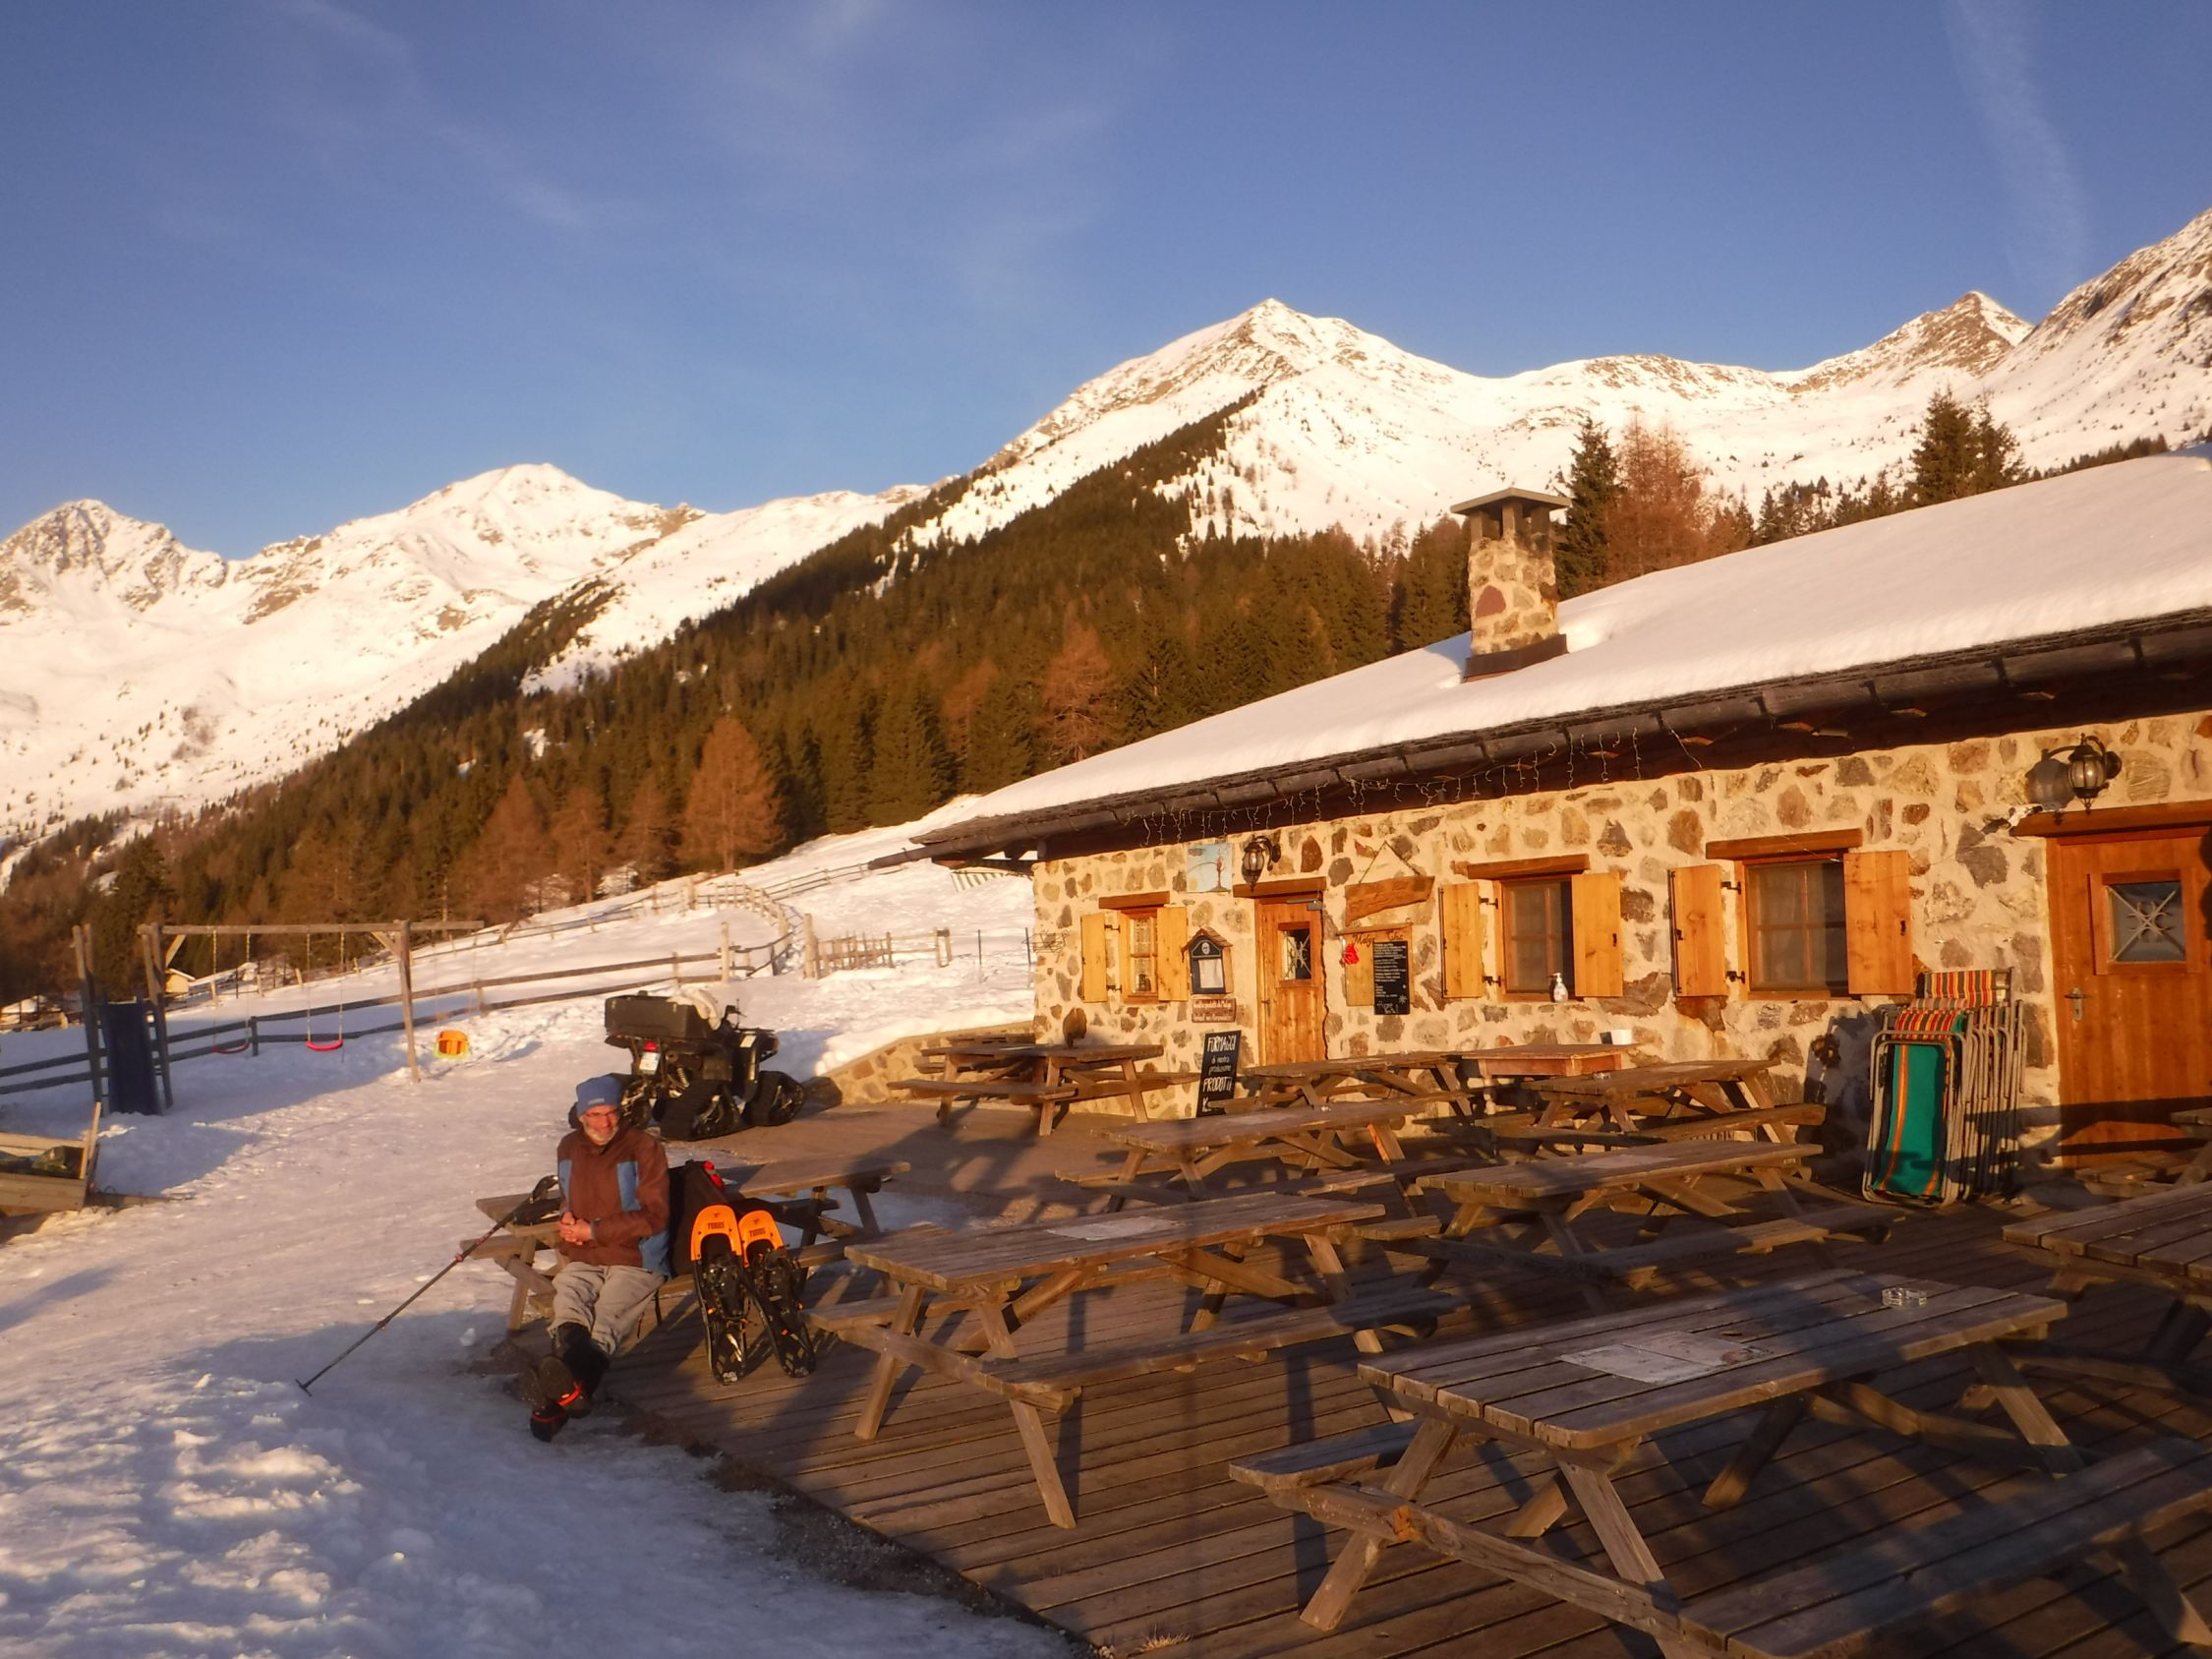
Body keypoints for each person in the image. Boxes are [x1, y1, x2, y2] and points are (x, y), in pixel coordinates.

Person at [524, 1077, 669, 1442]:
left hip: (636, 1254)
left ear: (622, 1110)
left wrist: (594, 1230)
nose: (604, 1122)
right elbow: (568, 1197)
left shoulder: (643, 1147)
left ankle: (552, 1408)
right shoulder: (569, 1147)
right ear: (580, 1115)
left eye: (611, 1113)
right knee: (569, 1303)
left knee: (606, 1319)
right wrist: (567, 1218)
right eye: (594, 1114)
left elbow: (655, 1217)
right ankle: (570, 1394)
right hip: (585, 1253)